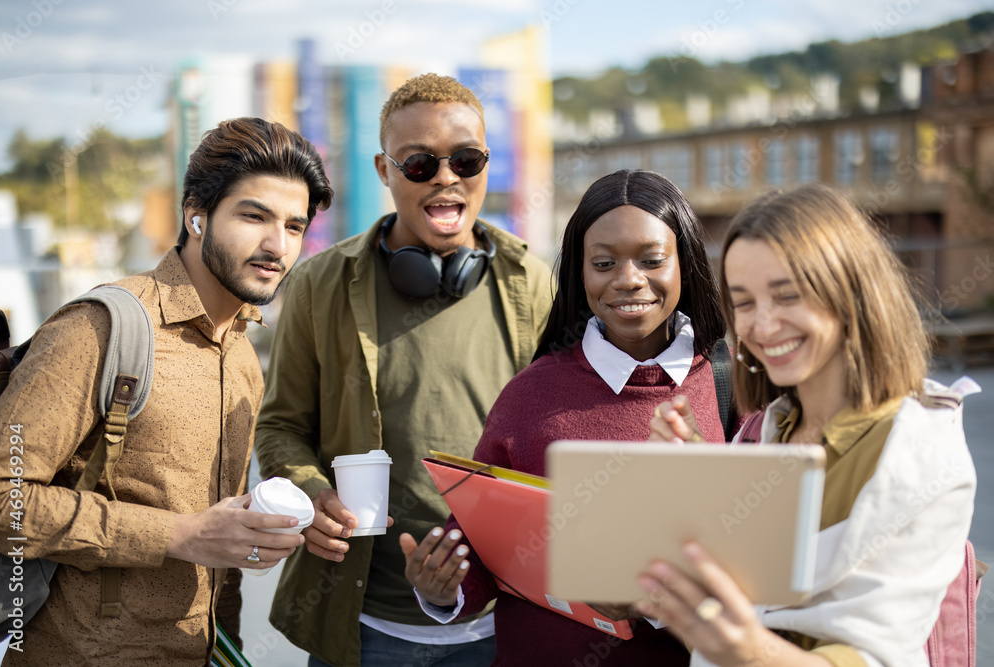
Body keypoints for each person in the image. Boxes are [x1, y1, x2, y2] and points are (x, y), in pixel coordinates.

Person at [0, 117, 333, 665]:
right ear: (195, 214)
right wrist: (178, 535)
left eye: (295, 226)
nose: (277, 245)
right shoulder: (100, 329)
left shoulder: (244, 355)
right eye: (254, 216)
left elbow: (219, 559)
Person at [253, 72, 552, 667]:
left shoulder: (534, 282)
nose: (447, 177)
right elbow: (281, 426)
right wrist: (311, 494)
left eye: (466, 160)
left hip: (499, 628)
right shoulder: (319, 283)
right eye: (420, 164)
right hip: (362, 628)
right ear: (385, 170)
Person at [403, 169, 740, 665]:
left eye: (652, 260)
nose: (628, 280)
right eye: (603, 262)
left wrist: (653, 599)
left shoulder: (731, 384)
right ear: (579, 273)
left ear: (685, 265)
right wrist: (441, 585)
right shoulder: (529, 394)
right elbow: (482, 550)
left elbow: (754, 560)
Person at [640, 183, 977, 667]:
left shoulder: (922, 453)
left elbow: (872, 655)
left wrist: (747, 649)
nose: (763, 324)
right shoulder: (762, 430)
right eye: (744, 302)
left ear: (848, 294)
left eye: (787, 295)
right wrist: (693, 473)